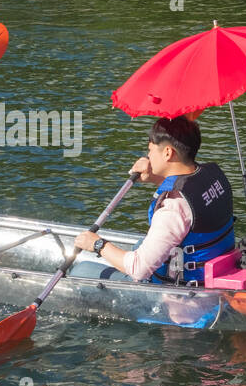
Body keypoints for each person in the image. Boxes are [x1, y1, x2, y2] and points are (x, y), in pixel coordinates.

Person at [72, 115, 235, 284]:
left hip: (179, 299)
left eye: (150, 150)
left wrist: (98, 245)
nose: (148, 156)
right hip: (212, 271)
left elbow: (138, 269)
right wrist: (155, 177)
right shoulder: (212, 176)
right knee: (140, 244)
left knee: (80, 270)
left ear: (167, 153)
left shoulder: (172, 208)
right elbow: (189, 193)